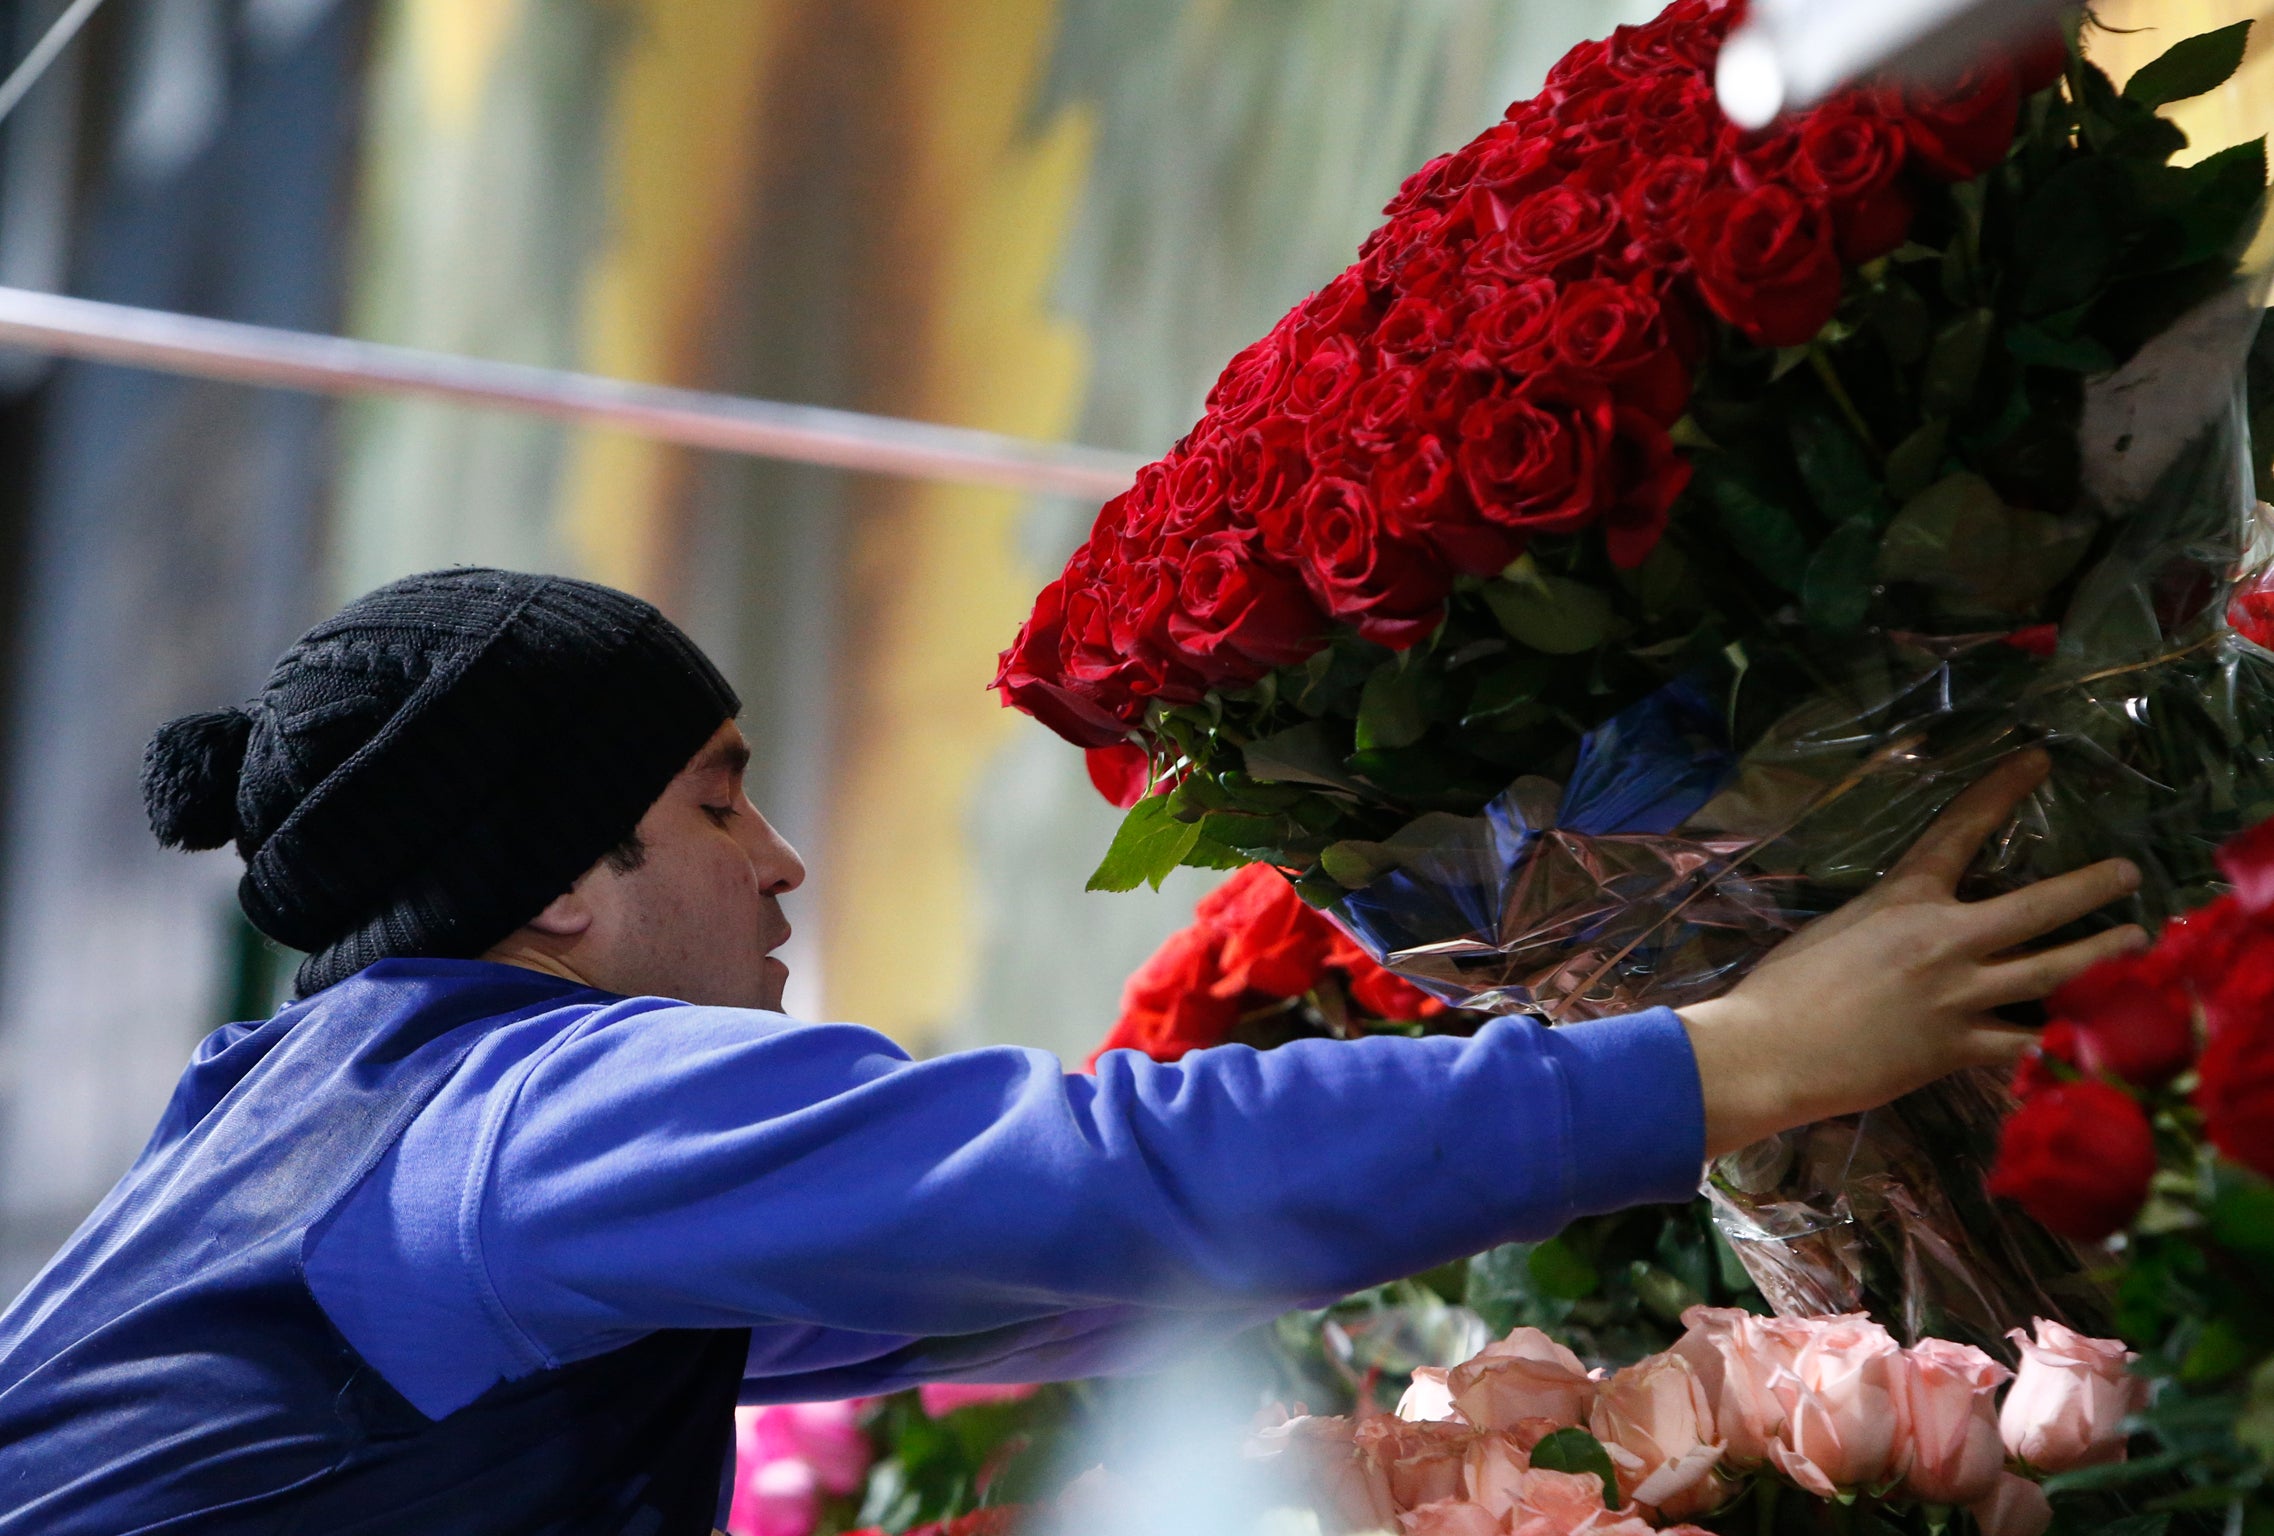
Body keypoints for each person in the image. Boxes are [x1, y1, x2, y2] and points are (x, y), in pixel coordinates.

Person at [0, 568, 2142, 1535]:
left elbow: (1059, 1272)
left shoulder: (325, 1119)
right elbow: (1116, 1184)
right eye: (722, 798)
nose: (786, 864)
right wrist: (1735, 1058)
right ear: (562, 886)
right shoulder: (515, 1134)